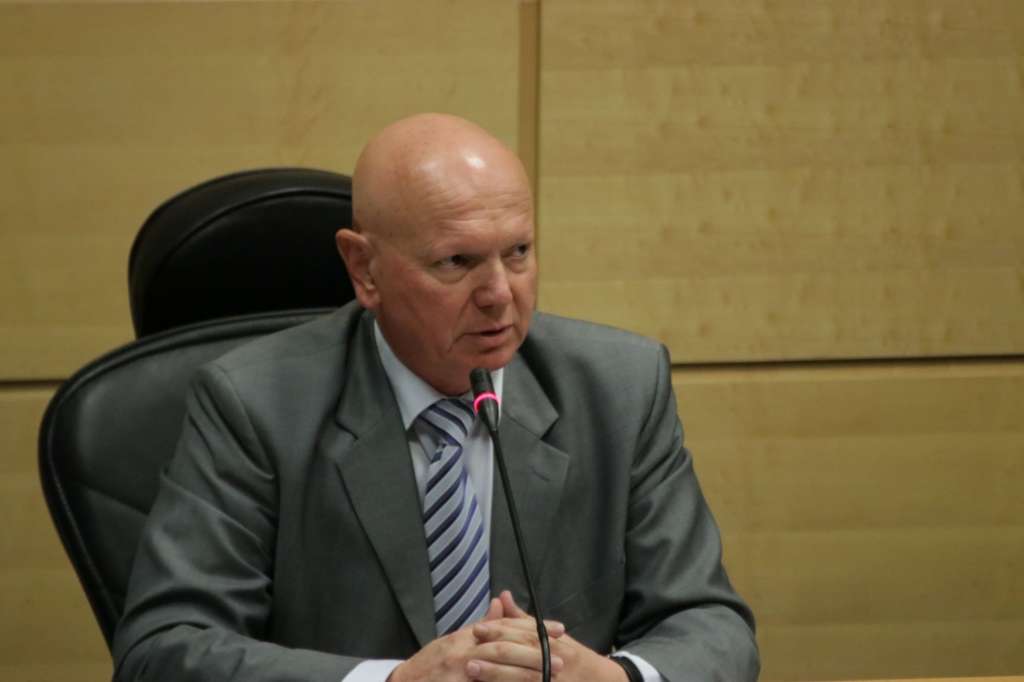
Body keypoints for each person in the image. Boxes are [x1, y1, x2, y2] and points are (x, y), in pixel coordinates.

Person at [112, 113, 759, 682]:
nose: (500, 294)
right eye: (457, 262)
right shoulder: (253, 405)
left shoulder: (619, 388)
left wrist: (616, 678)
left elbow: (712, 626)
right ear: (364, 268)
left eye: (519, 252)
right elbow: (162, 651)